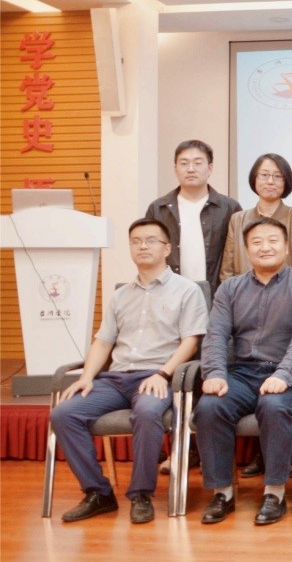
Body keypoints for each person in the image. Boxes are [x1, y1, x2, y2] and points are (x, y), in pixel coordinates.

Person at [50, 218, 208, 524]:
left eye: (150, 240)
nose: (142, 246)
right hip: (115, 378)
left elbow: (191, 342)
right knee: (64, 413)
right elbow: (103, 341)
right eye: (136, 241)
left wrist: (163, 374)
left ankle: (141, 494)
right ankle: (98, 493)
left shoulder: (187, 291)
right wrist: (86, 377)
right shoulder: (121, 295)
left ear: (167, 248)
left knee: (147, 412)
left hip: (158, 377)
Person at [194, 217, 292, 526]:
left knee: (274, 406)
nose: (265, 247)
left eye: (272, 240)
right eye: (257, 242)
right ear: (246, 249)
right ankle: (222, 493)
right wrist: (214, 373)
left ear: (287, 246)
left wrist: (283, 375)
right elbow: (216, 334)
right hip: (241, 373)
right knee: (210, 406)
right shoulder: (230, 288)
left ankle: (274, 493)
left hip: (286, 374)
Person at [145, 139, 241, 295]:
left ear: (210, 168)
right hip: (170, 294)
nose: (191, 169)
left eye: (197, 163)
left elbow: (237, 257)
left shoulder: (229, 208)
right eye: (184, 163)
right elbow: (150, 254)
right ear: (175, 168)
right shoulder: (158, 209)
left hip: (217, 295)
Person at [220, 153, 292, 283]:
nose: (270, 181)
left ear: (286, 181)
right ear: (254, 179)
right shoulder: (237, 220)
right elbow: (227, 272)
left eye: (277, 176)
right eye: (264, 175)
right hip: (244, 293)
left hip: (288, 293)